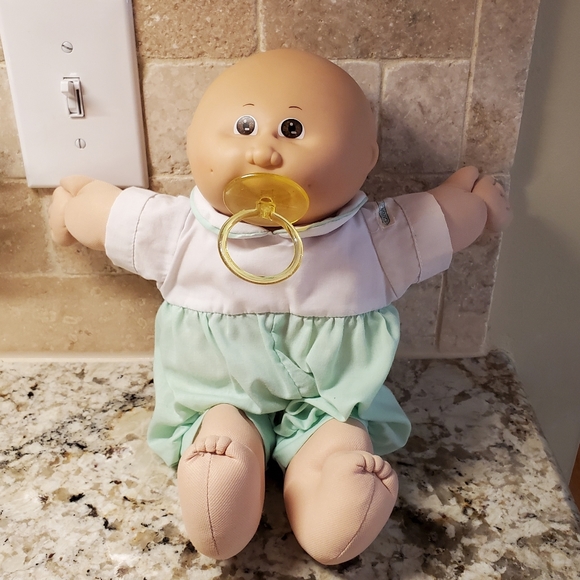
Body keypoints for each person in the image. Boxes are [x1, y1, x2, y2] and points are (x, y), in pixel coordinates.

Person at [49, 49, 512, 565]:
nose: (263, 154)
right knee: (221, 431)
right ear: (193, 138)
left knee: (338, 436)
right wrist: (76, 202)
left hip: (328, 399)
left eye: (292, 130)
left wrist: (470, 202)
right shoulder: (181, 229)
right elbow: (110, 217)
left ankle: (332, 481)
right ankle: (224, 464)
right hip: (218, 394)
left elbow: (438, 221)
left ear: (366, 157)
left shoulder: (373, 237)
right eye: (244, 127)